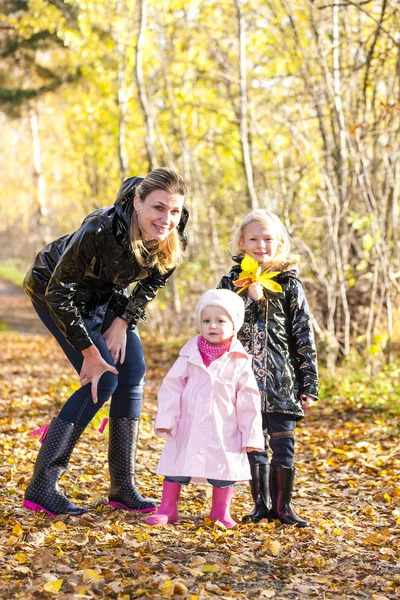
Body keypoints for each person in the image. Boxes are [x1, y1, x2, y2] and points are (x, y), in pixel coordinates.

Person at [22, 168, 188, 517]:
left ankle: (122, 487)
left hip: (105, 295)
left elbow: (153, 282)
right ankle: (41, 487)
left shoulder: (175, 230)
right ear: (138, 202)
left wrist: (122, 321)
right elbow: (57, 291)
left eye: (174, 211)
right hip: (55, 290)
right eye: (158, 208)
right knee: (105, 377)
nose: (167, 219)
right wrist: (90, 352)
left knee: (133, 372)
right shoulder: (100, 228)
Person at [218, 209, 318, 527]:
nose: (262, 245)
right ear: (243, 243)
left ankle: (283, 507)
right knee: (254, 442)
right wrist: (245, 299)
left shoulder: (289, 284)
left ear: (279, 243)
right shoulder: (231, 282)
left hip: (282, 380)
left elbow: (303, 334)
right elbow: (218, 326)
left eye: (268, 239)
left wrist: (309, 383)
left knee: (283, 442)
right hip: (243, 379)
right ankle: (260, 505)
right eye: (254, 239)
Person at [145, 289, 264, 529]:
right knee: (176, 465)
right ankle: (168, 508)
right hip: (188, 423)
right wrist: (167, 419)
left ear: (234, 325)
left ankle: (220, 512)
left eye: (220, 321)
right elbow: (171, 387)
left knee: (223, 470)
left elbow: (249, 399)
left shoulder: (240, 360)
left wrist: (251, 434)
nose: (212, 326)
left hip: (224, 427)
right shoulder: (189, 354)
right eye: (206, 320)